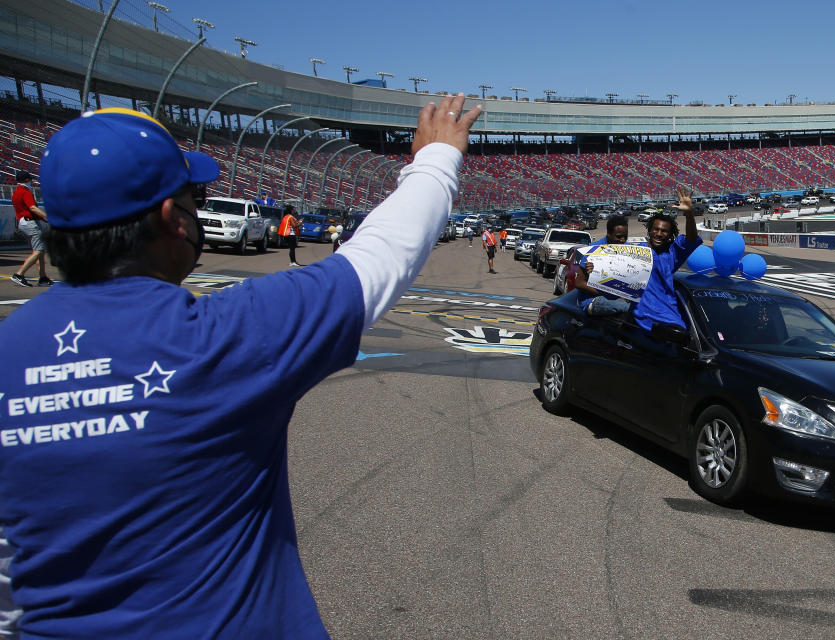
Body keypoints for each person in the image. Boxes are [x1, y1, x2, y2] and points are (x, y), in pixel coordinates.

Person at [0, 95, 481, 638]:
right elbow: (381, 256)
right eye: (193, 198)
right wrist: (436, 158)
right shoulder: (221, 336)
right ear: (170, 218)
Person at [631, 186, 702, 331]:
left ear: (670, 235)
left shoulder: (673, 252)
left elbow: (692, 239)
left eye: (664, 231)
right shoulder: (636, 251)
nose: (659, 233)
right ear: (649, 230)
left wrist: (688, 213)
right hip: (641, 321)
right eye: (656, 229)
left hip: (670, 321)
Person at [573, 214, 630, 315]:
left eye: (625, 237)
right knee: (625, 307)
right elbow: (579, 283)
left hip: (620, 299)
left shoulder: (628, 249)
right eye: (619, 237)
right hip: (594, 301)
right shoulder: (594, 250)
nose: (622, 240)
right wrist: (606, 292)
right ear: (608, 233)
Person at [10, 171, 52, 288]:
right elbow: (32, 208)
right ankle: (19, 274)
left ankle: (43, 277)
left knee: (40, 250)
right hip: (30, 222)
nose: (31, 181)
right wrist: (46, 217)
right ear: (25, 180)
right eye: (29, 179)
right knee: (39, 250)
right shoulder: (25, 192)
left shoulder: (16, 193)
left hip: (23, 221)